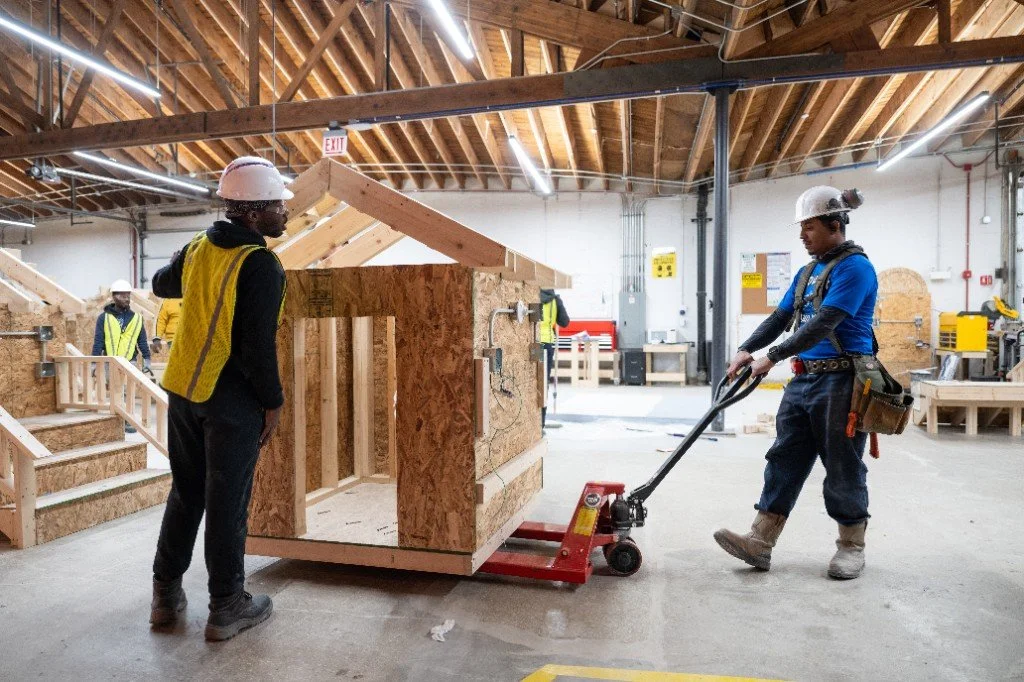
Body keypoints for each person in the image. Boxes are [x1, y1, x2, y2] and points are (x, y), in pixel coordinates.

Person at [149, 157, 292, 641]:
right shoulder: (260, 264)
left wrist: (190, 260)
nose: (285, 213)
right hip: (230, 401)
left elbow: (161, 285)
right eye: (276, 205)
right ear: (252, 214)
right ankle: (227, 605)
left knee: (186, 494)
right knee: (227, 502)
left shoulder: (199, 247)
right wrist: (273, 401)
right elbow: (255, 346)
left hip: (185, 390)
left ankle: (165, 596)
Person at [713, 186, 877, 580]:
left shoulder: (855, 268)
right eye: (801, 228)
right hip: (803, 384)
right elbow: (779, 317)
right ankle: (760, 541)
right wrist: (747, 349)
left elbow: (825, 323)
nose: (802, 235)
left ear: (835, 224)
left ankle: (851, 547)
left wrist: (772, 356)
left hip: (842, 382)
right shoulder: (808, 272)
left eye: (809, 227)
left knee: (842, 466)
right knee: (784, 459)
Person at [92, 279, 152, 432]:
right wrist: (94, 363)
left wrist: (147, 359)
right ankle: (120, 420)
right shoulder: (103, 318)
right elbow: (98, 341)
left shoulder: (137, 318)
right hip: (111, 361)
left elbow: (142, 341)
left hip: (130, 361)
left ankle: (127, 420)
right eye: (122, 295)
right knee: (116, 390)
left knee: (127, 390)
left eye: (128, 295)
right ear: (114, 297)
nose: (126, 298)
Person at [539, 288, 569, 428]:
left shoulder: (532, 295)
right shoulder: (555, 300)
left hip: (532, 343)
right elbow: (564, 322)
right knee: (543, 383)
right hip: (547, 345)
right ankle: (541, 423)